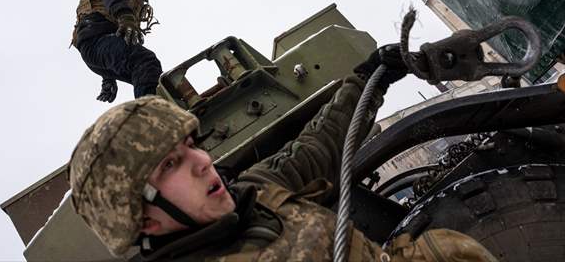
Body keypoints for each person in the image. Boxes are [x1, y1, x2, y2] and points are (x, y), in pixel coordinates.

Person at [68, 46, 497, 261]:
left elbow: (317, 146)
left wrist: (368, 78)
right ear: (138, 216)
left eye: (191, 146)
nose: (202, 161)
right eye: (170, 164)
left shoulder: (254, 194)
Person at [71, 0, 162, 102]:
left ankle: (160, 106)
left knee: (148, 74)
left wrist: (108, 79)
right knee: (145, 62)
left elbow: (112, 41)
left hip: (93, 50)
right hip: (96, 39)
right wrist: (125, 16)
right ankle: (150, 114)